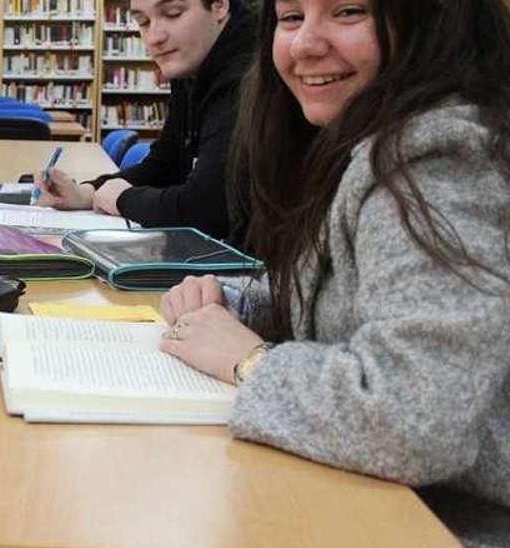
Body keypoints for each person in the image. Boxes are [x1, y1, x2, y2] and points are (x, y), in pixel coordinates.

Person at [157, 0, 510, 544]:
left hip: (439, 525)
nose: (304, 45)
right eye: (291, 17)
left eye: (348, 12)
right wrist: (235, 304)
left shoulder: (437, 162)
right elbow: (355, 286)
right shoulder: (371, 137)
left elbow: (414, 422)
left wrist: (248, 361)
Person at [34, 0, 254, 242]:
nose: (153, 38)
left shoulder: (250, 73)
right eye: (143, 22)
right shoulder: (191, 62)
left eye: (173, 14)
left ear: (220, 5)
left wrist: (123, 199)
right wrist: (87, 192)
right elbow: (166, 165)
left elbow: (206, 208)